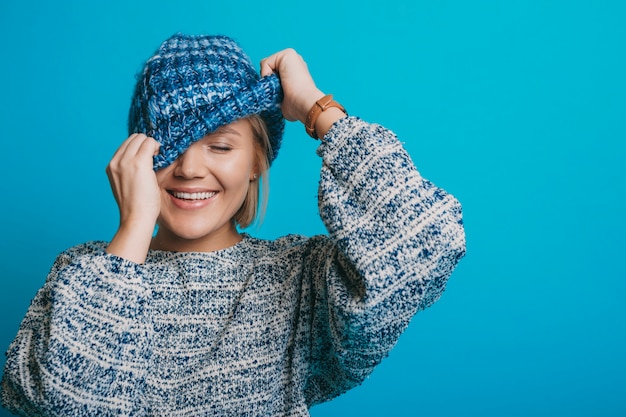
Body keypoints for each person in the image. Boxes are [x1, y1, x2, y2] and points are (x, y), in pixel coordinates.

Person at [1, 34, 466, 416]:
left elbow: (426, 239)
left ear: (256, 161)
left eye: (219, 146)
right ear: (136, 159)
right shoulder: (83, 276)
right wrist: (133, 232)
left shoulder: (297, 281)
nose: (188, 169)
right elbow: (66, 406)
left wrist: (315, 108)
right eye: (168, 146)